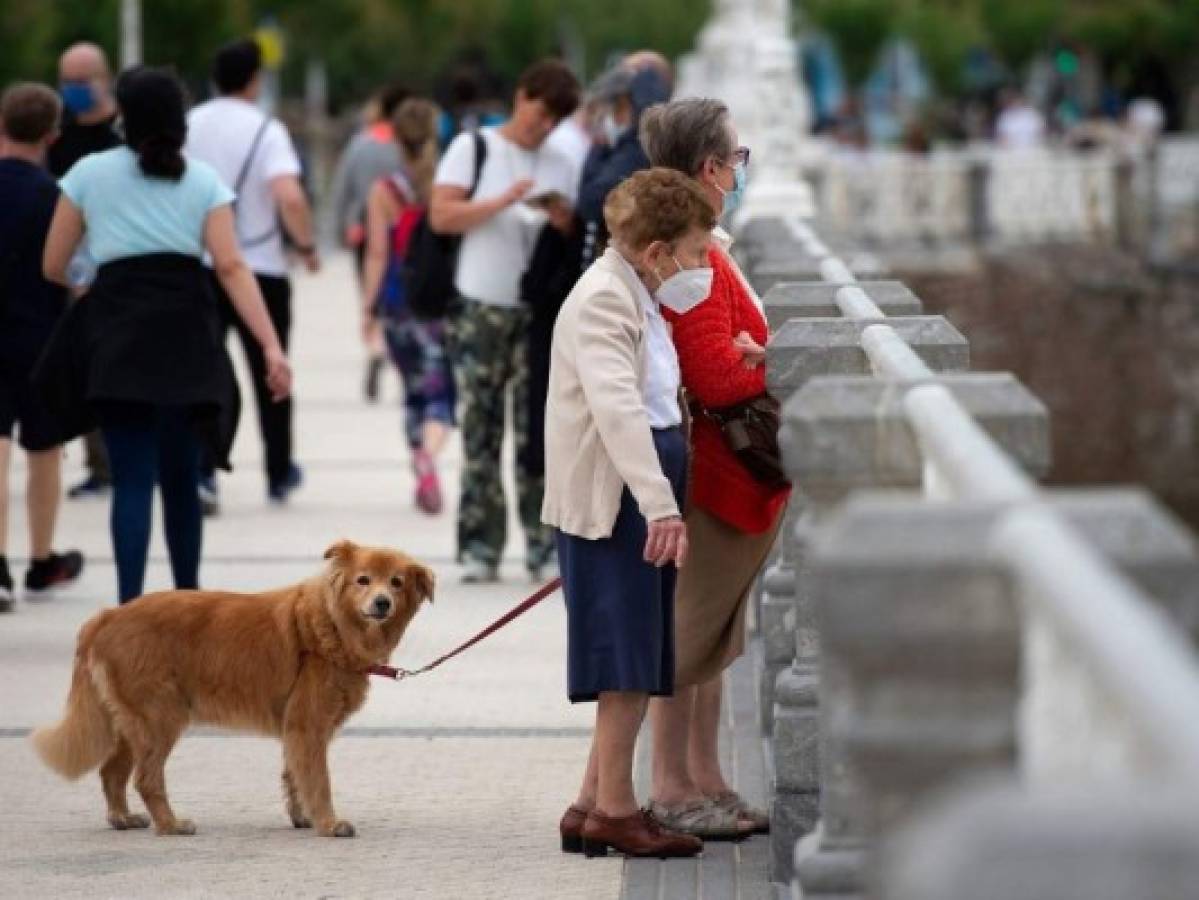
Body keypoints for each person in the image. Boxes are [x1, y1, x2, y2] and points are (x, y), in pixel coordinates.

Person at [38, 66, 292, 604]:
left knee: (131, 480)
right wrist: (270, 345)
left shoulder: (87, 173)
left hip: (118, 332)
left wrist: (90, 283)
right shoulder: (202, 181)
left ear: (122, 117)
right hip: (187, 335)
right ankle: (188, 606)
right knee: (180, 480)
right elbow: (231, 268)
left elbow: (55, 263)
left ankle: (130, 609)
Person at [543, 168, 714, 859]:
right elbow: (618, 413)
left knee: (636, 650)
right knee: (624, 660)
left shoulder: (631, 290)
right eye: (696, 253)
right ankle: (615, 810)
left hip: (637, 495)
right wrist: (660, 507)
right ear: (656, 252)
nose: (701, 266)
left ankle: (591, 803)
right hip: (620, 502)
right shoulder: (604, 301)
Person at [640, 98, 791, 838]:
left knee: (708, 638)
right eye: (736, 158)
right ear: (709, 168)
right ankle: (673, 787)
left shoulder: (699, 244)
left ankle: (704, 778)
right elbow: (717, 375)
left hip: (719, 473)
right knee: (686, 636)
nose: (738, 170)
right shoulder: (690, 251)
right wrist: (774, 365)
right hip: (712, 474)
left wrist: (755, 354)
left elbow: (729, 355)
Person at [429, 59, 580, 583]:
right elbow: (441, 215)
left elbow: (575, 232)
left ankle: (541, 544)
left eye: (554, 120)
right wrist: (501, 201)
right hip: (479, 307)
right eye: (540, 113)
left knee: (537, 432)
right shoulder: (473, 148)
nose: (543, 128)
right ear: (522, 97)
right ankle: (479, 543)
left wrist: (562, 220)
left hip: (537, 310)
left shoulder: (563, 160)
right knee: (480, 429)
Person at [186, 38, 317, 512]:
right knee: (272, 367)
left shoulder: (190, 123)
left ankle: (204, 471)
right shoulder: (267, 129)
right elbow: (290, 195)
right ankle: (279, 471)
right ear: (255, 80)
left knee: (204, 374)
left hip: (200, 264)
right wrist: (305, 244)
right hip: (261, 267)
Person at [0, 83, 85, 611]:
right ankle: (41, 557)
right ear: (53, 134)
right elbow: (70, 270)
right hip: (40, 335)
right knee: (44, 447)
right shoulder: (56, 195)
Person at [361, 98, 455, 515]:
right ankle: (430, 457)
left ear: (396, 140)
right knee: (441, 393)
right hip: (440, 302)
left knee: (412, 393)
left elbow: (377, 254)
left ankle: (419, 459)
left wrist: (368, 308)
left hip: (399, 303)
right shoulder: (448, 185)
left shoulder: (384, 191)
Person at [47, 42, 122, 502]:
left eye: (82, 80)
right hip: (69, 273)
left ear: (105, 78)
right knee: (85, 374)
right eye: (67, 81)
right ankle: (100, 464)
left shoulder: (124, 135)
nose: (73, 90)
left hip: (118, 270)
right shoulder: (56, 135)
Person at [329, 82, 408, 402]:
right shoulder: (408, 147)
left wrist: (342, 226)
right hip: (404, 234)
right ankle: (402, 355)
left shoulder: (359, 145)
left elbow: (341, 189)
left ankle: (375, 346)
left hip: (365, 231)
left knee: (371, 297)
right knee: (401, 300)